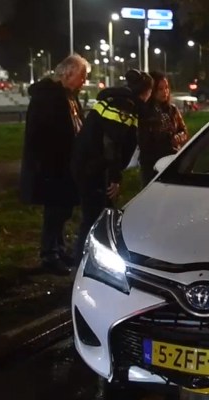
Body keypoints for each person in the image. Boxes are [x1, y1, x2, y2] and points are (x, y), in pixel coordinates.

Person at [71, 69, 154, 259]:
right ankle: (84, 258)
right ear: (147, 91)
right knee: (96, 216)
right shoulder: (125, 106)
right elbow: (112, 144)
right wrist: (115, 177)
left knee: (96, 213)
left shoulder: (116, 100)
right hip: (95, 168)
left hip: (88, 164)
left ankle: (86, 255)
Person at [19, 54, 89, 275]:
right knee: (55, 211)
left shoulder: (68, 95)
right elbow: (40, 135)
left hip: (66, 165)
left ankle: (58, 248)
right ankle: (49, 254)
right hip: (53, 167)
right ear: (67, 73)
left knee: (63, 210)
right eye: (82, 76)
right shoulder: (48, 97)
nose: (84, 81)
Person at [138, 71, 189, 188]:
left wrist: (180, 136)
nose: (165, 92)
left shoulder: (172, 110)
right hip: (151, 164)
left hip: (172, 159)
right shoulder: (145, 111)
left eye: (166, 88)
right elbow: (144, 140)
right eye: (160, 89)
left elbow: (184, 131)